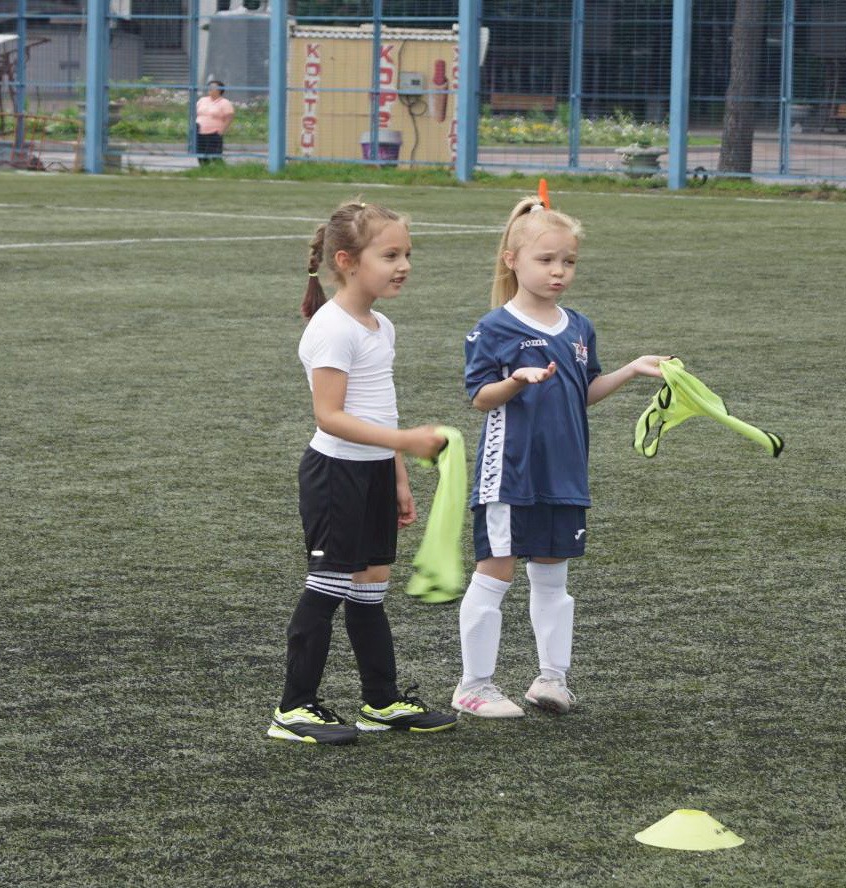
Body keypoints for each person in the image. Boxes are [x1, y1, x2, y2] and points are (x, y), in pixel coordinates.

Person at [452, 196, 669, 719]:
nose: (558, 271)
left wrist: (631, 370)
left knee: (553, 580)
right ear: (512, 260)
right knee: (494, 574)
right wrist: (514, 380)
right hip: (509, 474)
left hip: (565, 473)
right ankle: (473, 686)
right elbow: (480, 397)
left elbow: (583, 392)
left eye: (568, 261)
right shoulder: (493, 328)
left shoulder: (578, 327)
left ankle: (551, 679)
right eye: (546, 259)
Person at [268, 200, 459, 745]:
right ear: (347, 261)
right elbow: (329, 415)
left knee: (371, 589)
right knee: (327, 586)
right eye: (390, 255)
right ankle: (293, 709)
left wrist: (396, 475)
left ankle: (381, 702)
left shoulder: (380, 325)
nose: (404, 266)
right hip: (336, 475)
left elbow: (381, 409)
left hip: (373, 473)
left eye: (407, 254)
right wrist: (406, 443)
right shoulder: (332, 328)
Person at [195, 80, 234, 165]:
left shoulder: (225, 102)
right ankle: (204, 169)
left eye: (213, 87)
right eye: (209, 87)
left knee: (215, 156)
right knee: (201, 154)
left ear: (219, 90)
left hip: (214, 133)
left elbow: (229, 117)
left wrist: (222, 131)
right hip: (199, 132)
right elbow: (195, 113)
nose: (210, 89)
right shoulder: (202, 100)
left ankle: (220, 170)